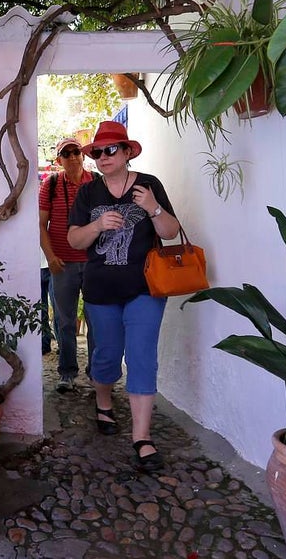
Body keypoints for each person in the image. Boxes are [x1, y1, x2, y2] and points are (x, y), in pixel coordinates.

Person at [66, 121, 180, 472]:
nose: (102, 157)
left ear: (128, 152)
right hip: (101, 291)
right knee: (106, 357)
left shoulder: (149, 186)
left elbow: (171, 232)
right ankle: (103, 400)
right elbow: (74, 241)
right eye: (96, 152)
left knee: (142, 357)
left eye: (110, 150)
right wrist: (97, 226)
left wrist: (154, 208)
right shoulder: (88, 194)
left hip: (145, 288)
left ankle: (142, 438)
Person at [39, 136, 95, 393]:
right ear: (59, 159)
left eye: (76, 152)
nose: (73, 157)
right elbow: (41, 224)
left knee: (97, 320)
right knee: (64, 320)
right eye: (67, 153)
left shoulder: (96, 183)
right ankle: (67, 373)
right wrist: (50, 258)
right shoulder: (49, 185)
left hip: (94, 263)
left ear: (83, 156)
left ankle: (95, 372)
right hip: (62, 263)